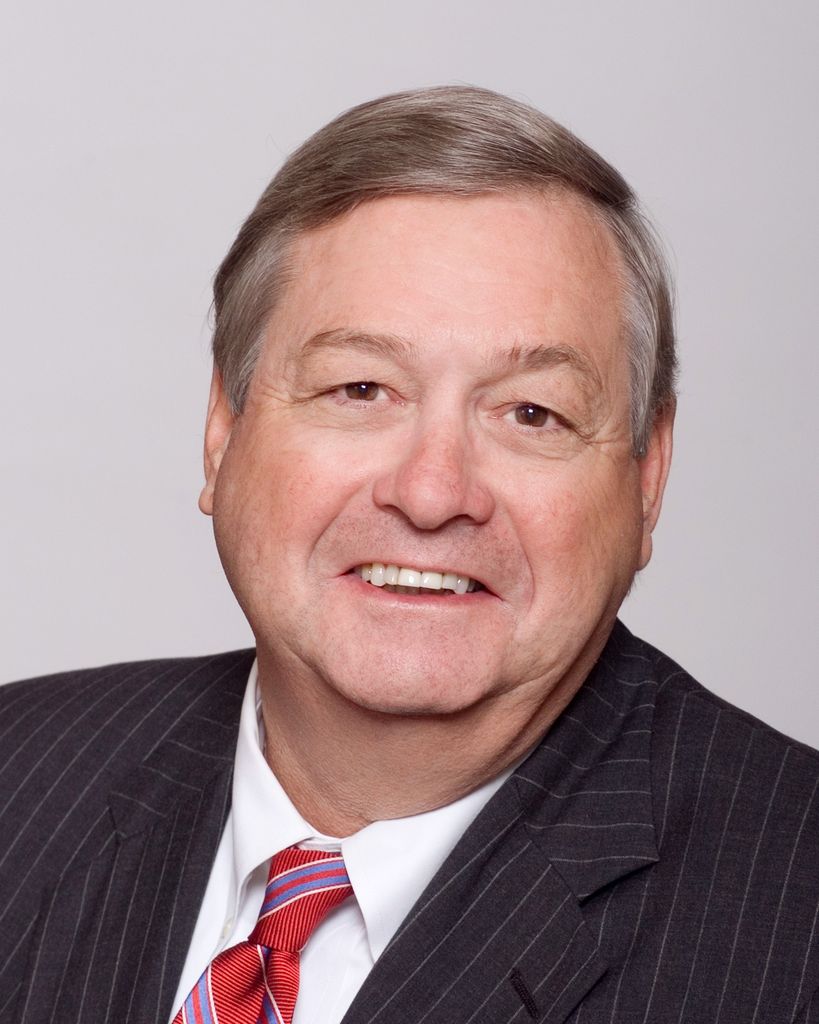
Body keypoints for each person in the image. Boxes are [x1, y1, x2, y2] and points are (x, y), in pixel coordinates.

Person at [1, 86, 817, 1024]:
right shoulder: (19, 775)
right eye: (360, 389)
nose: (431, 493)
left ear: (646, 477)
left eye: (531, 413)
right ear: (222, 432)